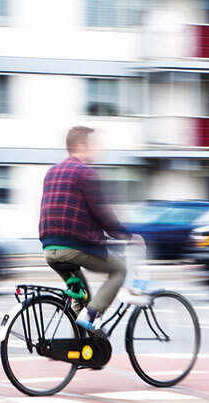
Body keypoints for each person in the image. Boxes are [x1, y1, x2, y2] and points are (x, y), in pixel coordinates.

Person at [39, 126, 141, 332]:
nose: (97, 149)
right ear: (80, 145)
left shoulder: (51, 172)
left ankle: (83, 347)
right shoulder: (85, 172)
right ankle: (93, 314)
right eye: (93, 145)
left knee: (81, 295)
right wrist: (127, 236)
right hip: (73, 247)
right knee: (119, 269)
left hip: (50, 248)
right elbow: (103, 214)